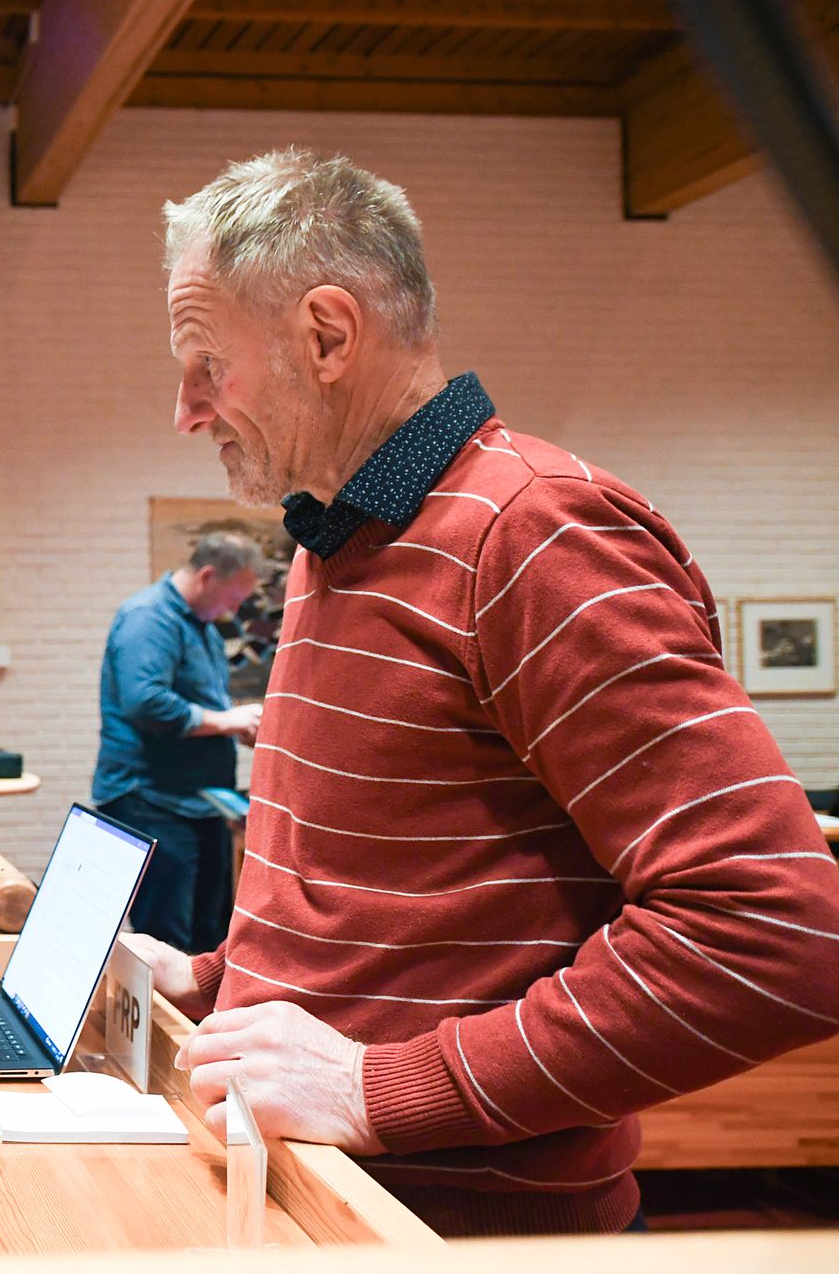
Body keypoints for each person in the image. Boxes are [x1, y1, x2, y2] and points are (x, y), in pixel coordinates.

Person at [129, 148, 839, 1237]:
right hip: (310, 1205)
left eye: (202, 363)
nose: (185, 410)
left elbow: (773, 929)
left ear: (325, 335)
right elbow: (386, 898)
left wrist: (376, 1090)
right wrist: (212, 976)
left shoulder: (530, 534)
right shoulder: (339, 541)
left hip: (457, 1236)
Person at [94, 532, 265, 951]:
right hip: (152, 801)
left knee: (209, 940)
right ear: (207, 576)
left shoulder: (200, 625)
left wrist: (234, 726)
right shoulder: (149, 618)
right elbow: (146, 703)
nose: (236, 609)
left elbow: (200, 702)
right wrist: (226, 721)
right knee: (166, 944)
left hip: (196, 802)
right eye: (234, 596)